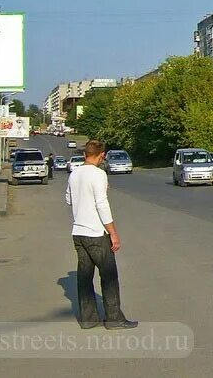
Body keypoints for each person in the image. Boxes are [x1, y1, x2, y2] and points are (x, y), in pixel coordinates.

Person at [65, 139, 137, 330]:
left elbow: (68, 199)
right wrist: (113, 233)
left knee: (84, 277)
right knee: (109, 276)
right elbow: (102, 205)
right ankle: (114, 318)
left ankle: (88, 319)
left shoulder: (74, 174)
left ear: (84, 154)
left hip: (78, 232)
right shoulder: (99, 175)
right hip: (96, 233)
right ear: (102, 155)